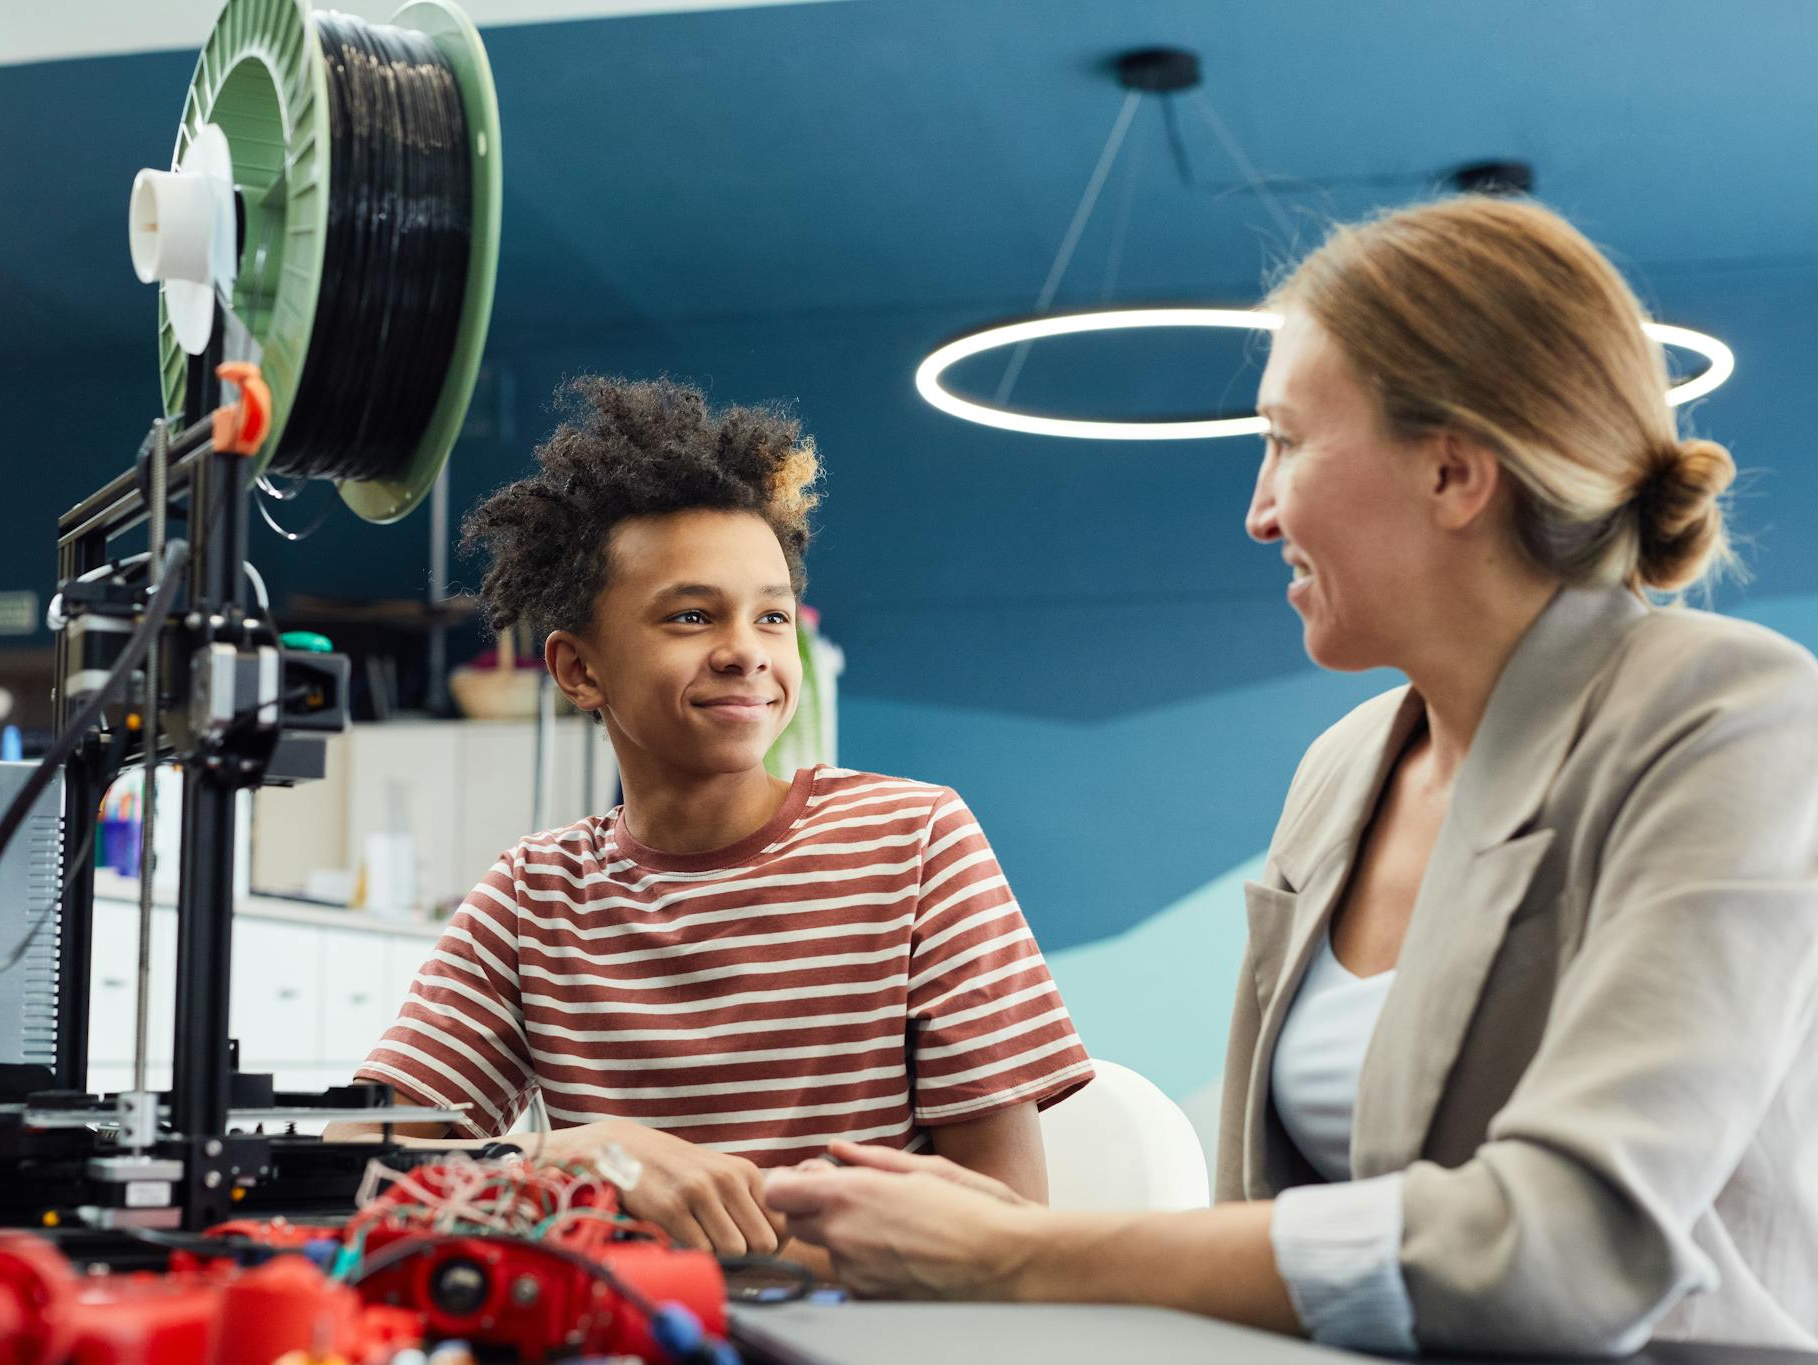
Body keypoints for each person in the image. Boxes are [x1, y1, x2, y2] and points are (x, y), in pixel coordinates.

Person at [764, 196, 1818, 1355]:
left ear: (1453, 473)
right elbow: (1276, 1226)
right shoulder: (1342, 768)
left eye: (1283, 440)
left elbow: (1566, 1250)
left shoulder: (1729, 717)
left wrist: (1020, 1253)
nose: (1258, 513)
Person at [329, 376, 1092, 1263]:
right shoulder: (534, 895)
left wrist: (752, 1262)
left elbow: (1006, 1223)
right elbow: (363, 1166)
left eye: (771, 615)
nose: (745, 650)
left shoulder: (915, 841)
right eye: (692, 615)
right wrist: (572, 1155)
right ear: (579, 669)